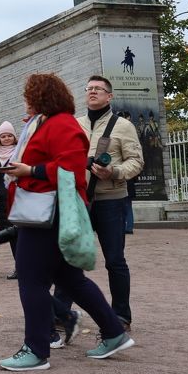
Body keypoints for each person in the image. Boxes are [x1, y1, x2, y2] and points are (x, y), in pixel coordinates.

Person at [0, 73, 134, 371]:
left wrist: (29, 169)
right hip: (48, 209)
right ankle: (113, 332)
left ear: (42, 97)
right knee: (72, 280)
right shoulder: (48, 123)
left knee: (31, 280)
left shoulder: (61, 124)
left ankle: (36, 350)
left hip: (49, 212)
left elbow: (70, 168)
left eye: (29, 95)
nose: (26, 100)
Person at [76, 74, 143, 330]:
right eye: (89, 88)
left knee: (114, 260)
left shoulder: (123, 126)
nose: (92, 92)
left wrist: (112, 172)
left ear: (109, 96)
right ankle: (62, 313)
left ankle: (121, 315)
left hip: (111, 200)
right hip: (80, 199)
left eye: (98, 89)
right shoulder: (76, 124)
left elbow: (136, 162)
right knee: (69, 258)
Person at [0, 121, 19, 279]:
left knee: (22, 232)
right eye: (3, 136)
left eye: (9, 135)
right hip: (4, 199)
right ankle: (19, 266)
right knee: (11, 234)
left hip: (19, 196)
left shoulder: (19, 151)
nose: (7, 138)